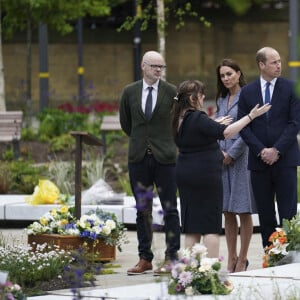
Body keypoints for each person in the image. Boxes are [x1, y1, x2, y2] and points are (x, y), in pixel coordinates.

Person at [171, 79, 270, 258]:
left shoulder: (178, 118)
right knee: (210, 227)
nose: (202, 98)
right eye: (201, 95)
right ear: (193, 98)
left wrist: (214, 123)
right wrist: (250, 117)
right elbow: (226, 132)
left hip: (185, 173)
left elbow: (201, 132)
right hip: (204, 175)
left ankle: (186, 273)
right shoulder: (197, 117)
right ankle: (212, 274)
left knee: (192, 226)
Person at [119, 50, 181, 276]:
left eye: (161, 67)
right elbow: (127, 123)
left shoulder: (172, 92)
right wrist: (142, 141)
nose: (158, 70)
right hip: (139, 159)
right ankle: (145, 258)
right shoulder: (130, 92)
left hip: (165, 159)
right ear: (143, 67)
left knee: (170, 209)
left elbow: (177, 122)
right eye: (154, 66)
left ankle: (172, 257)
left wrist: (164, 143)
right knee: (142, 210)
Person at [237, 46, 300, 249]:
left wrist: (276, 150)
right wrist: (261, 150)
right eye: (274, 62)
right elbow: (243, 125)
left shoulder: (291, 88)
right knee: (265, 213)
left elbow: (295, 123)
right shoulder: (247, 92)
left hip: (286, 160)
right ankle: (270, 255)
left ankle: (291, 254)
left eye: (279, 61)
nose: (279, 65)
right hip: (259, 162)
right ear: (261, 65)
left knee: (288, 212)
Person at [215, 59, 256, 272]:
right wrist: (219, 151)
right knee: (227, 211)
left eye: (229, 73)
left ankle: (242, 259)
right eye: (222, 75)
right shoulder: (222, 98)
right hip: (221, 159)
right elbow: (215, 125)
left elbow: (250, 127)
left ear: (238, 74)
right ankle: (231, 258)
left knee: (242, 209)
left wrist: (232, 153)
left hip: (242, 157)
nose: (226, 78)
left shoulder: (248, 96)